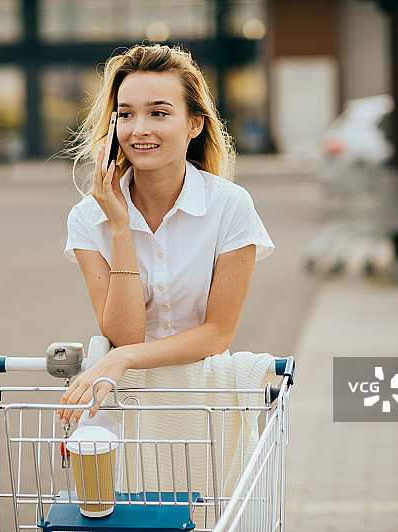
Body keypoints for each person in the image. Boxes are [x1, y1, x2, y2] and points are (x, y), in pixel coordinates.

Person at [59, 44, 274, 424]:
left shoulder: (230, 206)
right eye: (125, 114)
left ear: (195, 124)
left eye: (158, 112)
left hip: (204, 409)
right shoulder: (88, 219)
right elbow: (125, 334)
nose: (139, 129)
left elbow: (216, 334)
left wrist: (122, 358)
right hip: (125, 408)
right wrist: (121, 226)